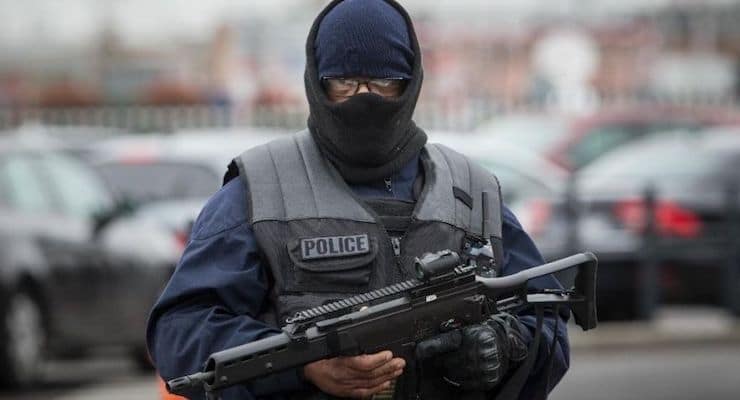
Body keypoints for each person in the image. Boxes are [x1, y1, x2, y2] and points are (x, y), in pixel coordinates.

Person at [146, 1, 569, 399]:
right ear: (316, 81)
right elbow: (180, 332)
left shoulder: (473, 195)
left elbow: (548, 320)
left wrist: (507, 345)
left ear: (411, 81)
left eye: (383, 83)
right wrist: (301, 365)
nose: (363, 97)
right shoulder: (259, 193)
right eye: (344, 82)